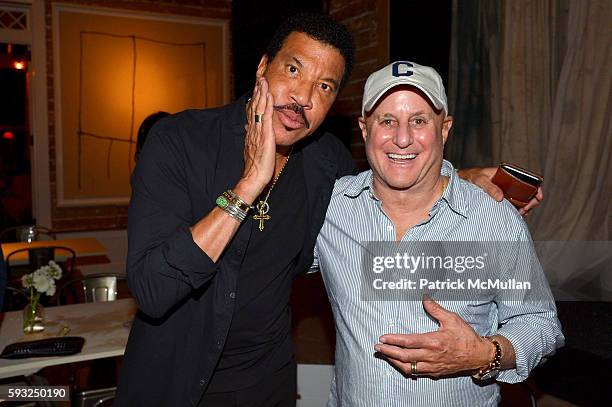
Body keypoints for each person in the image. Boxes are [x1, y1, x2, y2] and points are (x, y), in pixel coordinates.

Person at [115, 13, 542, 407]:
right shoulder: (179, 142)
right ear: (263, 67)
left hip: (267, 388)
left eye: (325, 86)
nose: (302, 97)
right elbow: (153, 291)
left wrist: (458, 179)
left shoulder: (327, 166)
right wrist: (249, 185)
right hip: (170, 386)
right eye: (294, 69)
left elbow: (394, 170)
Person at [314, 61, 564, 406]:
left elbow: (540, 324)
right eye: (387, 121)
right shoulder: (330, 208)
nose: (402, 138)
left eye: (419, 121)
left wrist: (483, 354)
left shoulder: (493, 218)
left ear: (444, 129)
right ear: (364, 128)